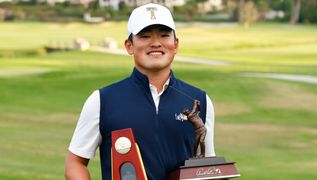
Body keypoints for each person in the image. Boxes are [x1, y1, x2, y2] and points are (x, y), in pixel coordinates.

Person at [64, 3, 215, 180]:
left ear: (175, 44)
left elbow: (207, 165)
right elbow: (75, 163)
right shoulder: (102, 100)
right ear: (129, 46)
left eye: (164, 35)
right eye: (145, 36)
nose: (156, 43)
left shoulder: (200, 99)